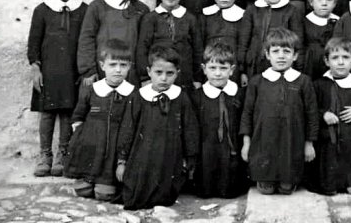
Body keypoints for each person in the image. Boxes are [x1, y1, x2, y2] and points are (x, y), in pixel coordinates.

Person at [116, 45, 199, 209]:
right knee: (136, 195)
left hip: (170, 156)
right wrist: (122, 161)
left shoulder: (180, 97)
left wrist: (189, 159)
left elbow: (190, 129)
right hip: (143, 155)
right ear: (149, 71)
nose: (163, 79)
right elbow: (128, 129)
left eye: (170, 74)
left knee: (165, 194)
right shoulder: (139, 97)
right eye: (158, 73)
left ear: (177, 73)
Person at [27, 0, 88, 177]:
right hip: (48, 72)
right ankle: (45, 155)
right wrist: (36, 68)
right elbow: (33, 43)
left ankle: (64, 153)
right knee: (46, 114)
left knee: (67, 113)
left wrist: (84, 71)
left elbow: (86, 41)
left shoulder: (84, 9)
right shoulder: (42, 10)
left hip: (72, 71)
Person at [240, 28, 319, 195]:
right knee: (266, 189)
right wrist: (246, 144)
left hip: (292, 138)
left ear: (295, 55)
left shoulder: (303, 81)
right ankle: (266, 177)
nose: (281, 56)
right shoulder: (257, 81)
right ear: (267, 55)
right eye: (275, 51)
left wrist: (309, 143)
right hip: (264, 139)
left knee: (286, 189)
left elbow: (312, 114)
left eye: (286, 51)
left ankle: (287, 179)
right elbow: (247, 113)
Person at [64, 39, 135, 201]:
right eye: (113, 65)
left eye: (123, 65)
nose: (118, 70)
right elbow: (78, 115)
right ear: (102, 66)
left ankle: (106, 181)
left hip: (115, 149)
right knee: (83, 191)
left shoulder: (132, 93)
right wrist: (82, 136)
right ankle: (86, 176)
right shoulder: (92, 90)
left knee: (104, 194)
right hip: (91, 146)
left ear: (129, 67)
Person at [77, 0, 149, 86]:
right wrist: (88, 70)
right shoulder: (96, 7)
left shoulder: (141, 9)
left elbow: (145, 44)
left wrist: (144, 76)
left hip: (131, 73)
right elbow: (87, 39)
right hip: (102, 72)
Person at [192, 43, 247, 198]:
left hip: (232, 145)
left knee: (231, 172)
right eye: (212, 68)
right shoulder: (197, 96)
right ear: (204, 69)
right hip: (207, 144)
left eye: (223, 68)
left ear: (232, 70)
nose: (218, 74)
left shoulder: (239, 94)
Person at [313, 37, 351, 195]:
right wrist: (323, 114)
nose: (341, 62)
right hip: (328, 141)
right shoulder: (319, 84)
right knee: (329, 187)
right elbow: (310, 110)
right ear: (326, 61)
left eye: (345, 57)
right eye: (335, 58)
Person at [238, 0, 304, 86]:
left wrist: (298, 70)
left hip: (282, 67)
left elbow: (298, 44)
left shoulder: (292, 11)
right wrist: (242, 71)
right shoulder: (252, 11)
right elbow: (244, 42)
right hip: (255, 66)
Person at [136, 0, 203, 90]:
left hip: (184, 78)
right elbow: (142, 49)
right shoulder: (150, 19)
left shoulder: (190, 19)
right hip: (158, 79)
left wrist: (198, 78)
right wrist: (145, 78)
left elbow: (197, 50)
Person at [199, 0, 245, 80]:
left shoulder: (242, 16)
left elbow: (243, 45)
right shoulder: (204, 15)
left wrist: (243, 71)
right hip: (210, 67)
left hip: (233, 68)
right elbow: (199, 44)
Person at [304, 0, 339, 79]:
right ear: (311, 2)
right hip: (309, 65)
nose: (324, 3)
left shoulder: (338, 22)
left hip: (331, 64)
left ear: (335, 3)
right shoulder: (305, 21)